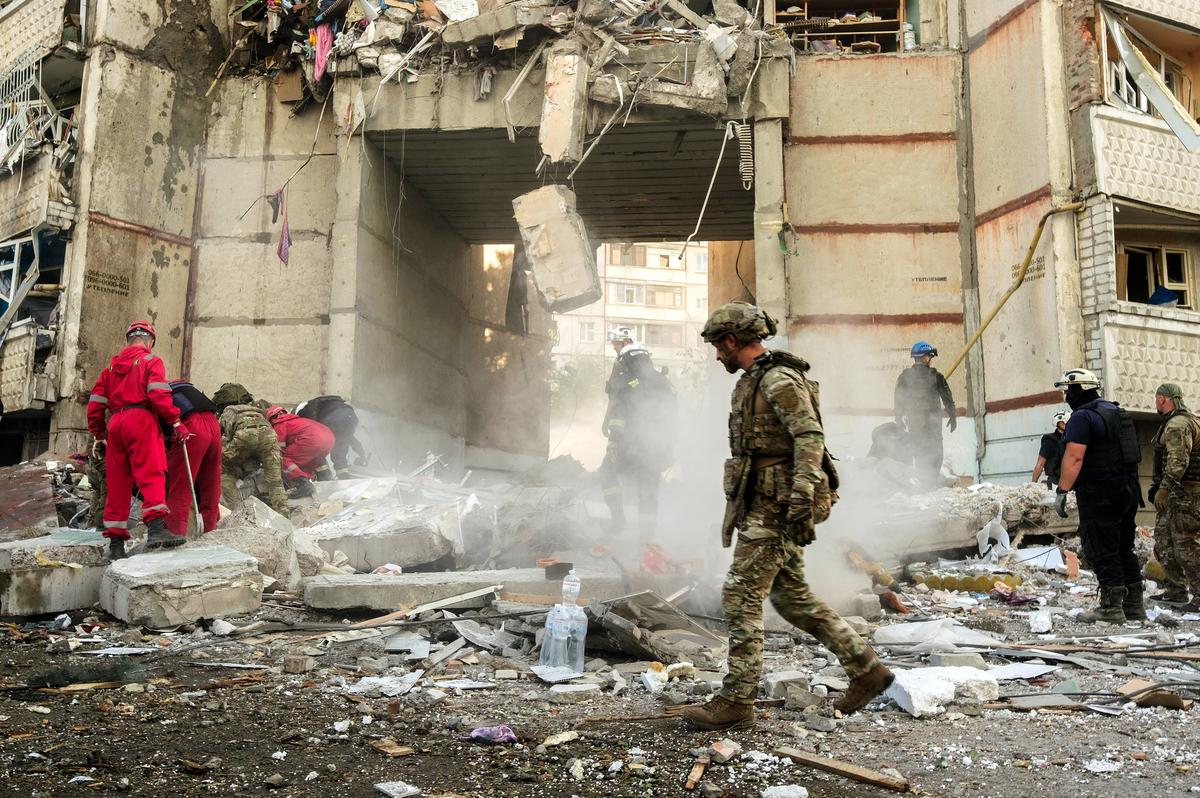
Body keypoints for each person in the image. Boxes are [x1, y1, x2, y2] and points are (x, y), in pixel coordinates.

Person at [679, 301, 893, 731]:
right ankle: (866, 669)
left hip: (777, 506)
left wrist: (799, 498)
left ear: (733, 340)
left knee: (740, 595)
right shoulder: (751, 382)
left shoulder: (778, 380)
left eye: (718, 346)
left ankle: (737, 699)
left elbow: (809, 436)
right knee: (791, 597)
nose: (717, 354)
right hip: (764, 501)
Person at [86, 321, 190, 559]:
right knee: (151, 473)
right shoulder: (151, 361)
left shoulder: (109, 370)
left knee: (118, 484)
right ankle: (156, 531)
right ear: (150, 341)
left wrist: (98, 434)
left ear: (128, 339)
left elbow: (95, 406)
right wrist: (176, 422)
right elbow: (158, 395)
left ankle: (115, 546)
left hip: (116, 424)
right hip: (141, 420)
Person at [1053, 368, 1143, 623]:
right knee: (1125, 547)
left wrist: (1062, 490)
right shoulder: (1117, 411)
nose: (1066, 396)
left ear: (1079, 390)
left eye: (1068, 391)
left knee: (1102, 548)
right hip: (1128, 491)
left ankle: (1111, 607)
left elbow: (1075, 456)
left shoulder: (1082, 417)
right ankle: (1134, 606)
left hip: (1100, 492)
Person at [599, 327, 676, 540]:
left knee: (606, 473)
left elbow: (618, 409)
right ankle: (647, 541)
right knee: (648, 492)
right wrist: (669, 450)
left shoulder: (625, 375)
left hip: (629, 444)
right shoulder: (661, 380)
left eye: (616, 343)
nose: (614, 348)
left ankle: (619, 522)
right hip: (656, 447)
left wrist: (612, 437)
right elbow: (673, 417)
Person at [1147, 383, 1200, 610]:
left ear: (1162, 399)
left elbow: (1179, 461)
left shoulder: (1178, 424)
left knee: (1186, 547)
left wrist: (1164, 487)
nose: (1156, 402)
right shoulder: (1178, 421)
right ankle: (1175, 591)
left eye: (1157, 398)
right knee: (1164, 542)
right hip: (1176, 495)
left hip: (1185, 495)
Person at [215, 384, 289, 515]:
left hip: (244, 438)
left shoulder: (228, 411)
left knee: (222, 472)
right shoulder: (256, 411)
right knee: (275, 481)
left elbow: (217, 436)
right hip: (269, 438)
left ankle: (238, 512)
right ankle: (284, 515)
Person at [893, 341, 956, 486]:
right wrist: (952, 416)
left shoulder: (904, 377)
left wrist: (899, 419)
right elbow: (947, 397)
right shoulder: (936, 376)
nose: (931, 359)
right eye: (930, 356)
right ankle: (931, 482)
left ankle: (923, 482)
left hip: (914, 422)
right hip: (932, 423)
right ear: (925, 357)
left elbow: (898, 399)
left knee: (919, 450)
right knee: (935, 452)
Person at [165, 380, 223, 537]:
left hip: (190, 427)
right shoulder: (183, 389)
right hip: (214, 424)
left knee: (179, 485)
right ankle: (210, 532)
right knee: (211, 483)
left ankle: (174, 533)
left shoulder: (157, 395)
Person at [265, 405, 336, 498]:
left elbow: (279, 448)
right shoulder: (298, 420)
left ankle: (304, 485)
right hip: (329, 438)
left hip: (312, 440)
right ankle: (318, 481)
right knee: (307, 462)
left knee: (282, 460)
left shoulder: (279, 423)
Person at [297, 395, 365, 478]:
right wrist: (361, 452)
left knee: (318, 446)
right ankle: (343, 475)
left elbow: (313, 439)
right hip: (351, 416)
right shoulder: (329, 405)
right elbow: (347, 437)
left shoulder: (306, 411)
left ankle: (324, 475)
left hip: (333, 419)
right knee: (340, 447)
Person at [1031, 410, 1070, 486]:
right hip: (1055, 482)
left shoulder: (1071, 439)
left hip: (1071, 482)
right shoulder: (1049, 440)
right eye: (1069, 422)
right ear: (1062, 423)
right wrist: (1033, 485)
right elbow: (1040, 463)